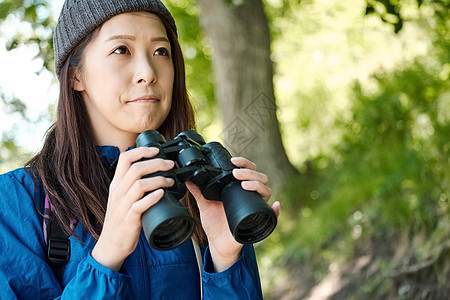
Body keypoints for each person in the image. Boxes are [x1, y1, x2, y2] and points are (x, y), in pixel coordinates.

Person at [0, 0, 280, 298]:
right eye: (121, 50)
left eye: (161, 52)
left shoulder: (199, 193)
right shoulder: (19, 202)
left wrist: (225, 262)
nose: (148, 72)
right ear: (75, 75)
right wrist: (107, 255)